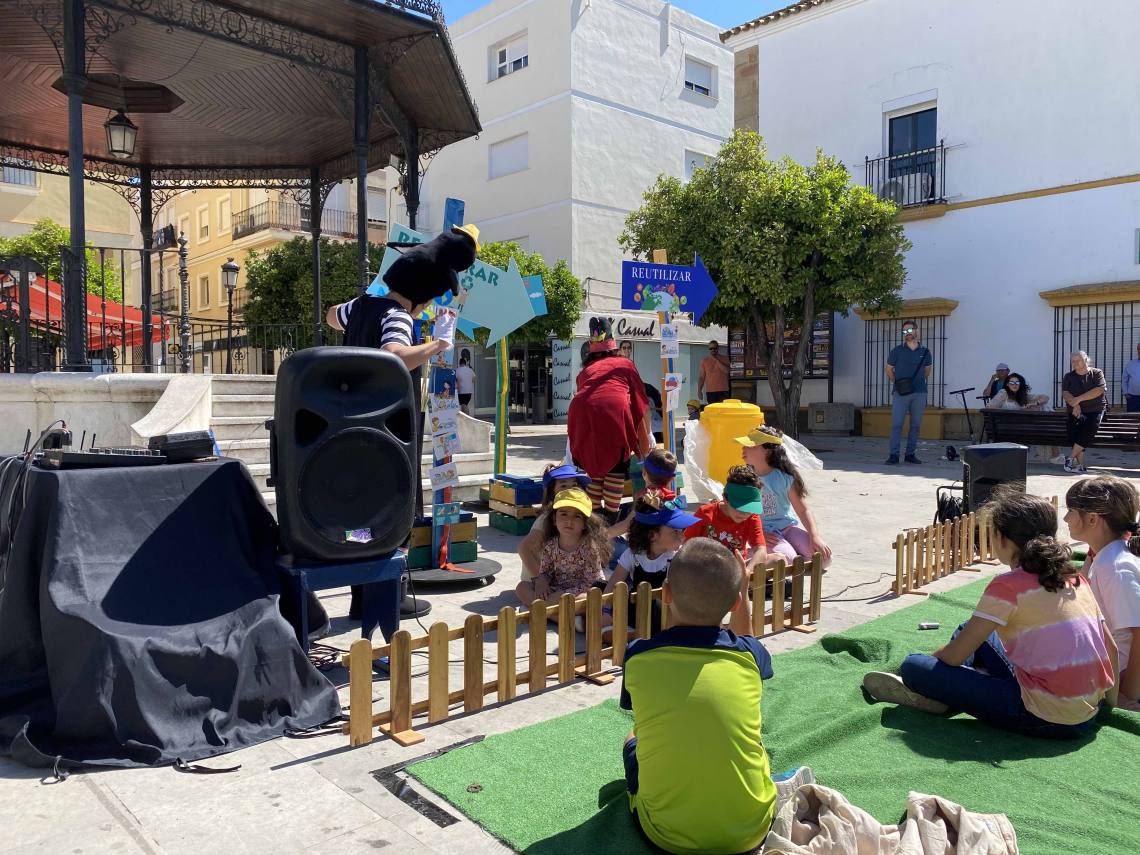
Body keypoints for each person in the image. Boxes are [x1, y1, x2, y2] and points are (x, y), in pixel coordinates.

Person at [863, 490, 1118, 738]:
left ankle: (940, 693)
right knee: (971, 630)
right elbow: (1111, 649)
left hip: (1042, 717)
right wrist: (1110, 706)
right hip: (1088, 713)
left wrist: (933, 666)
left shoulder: (1007, 586)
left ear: (1001, 538)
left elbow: (953, 656)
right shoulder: (1076, 579)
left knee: (913, 666)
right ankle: (951, 689)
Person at [326, 224, 480, 622]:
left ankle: (361, 598)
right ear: (421, 295)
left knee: (359, 518)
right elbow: (394, 354)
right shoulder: (397, 316)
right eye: (426, 302)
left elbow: (331, 315)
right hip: (388, 431)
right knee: (394, 516)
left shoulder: (363, 305)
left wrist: (362, 312)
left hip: (351, 428)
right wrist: (437, 344)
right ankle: (388, 598)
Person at [619, 538, 776, 854]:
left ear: (666, 594)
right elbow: (746, 640)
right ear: (735, 604)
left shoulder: (638, 656)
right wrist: (742, 590)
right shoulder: (750, 656)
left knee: (632, 736)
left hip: (665, 836)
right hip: (751, 831)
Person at [1064, 477, 1140, 710]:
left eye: (1071, 511)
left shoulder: (1114, 568)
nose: (1065, 518)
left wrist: (1126, 694)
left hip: (1118, 678)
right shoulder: (1106, 557)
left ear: (1092, 519)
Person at [568, 317, 652, 523]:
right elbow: (640, 403)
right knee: (616, 470)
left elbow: (584, 396)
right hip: (614, 414)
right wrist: (646, 437)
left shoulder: (586, 371)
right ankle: (610, 524)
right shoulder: (625, 364)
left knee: (595, 470)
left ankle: (595, 524)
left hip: (582, 416)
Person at [735, 426, 832, 568]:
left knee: (824, 559)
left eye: (751, 445)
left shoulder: (785, 478)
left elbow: (803, 510)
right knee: (787, 561)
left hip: (787, 528)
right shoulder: (744, 479)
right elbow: (737, 514)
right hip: (762, 532)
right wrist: (757, 535)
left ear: (768, 450)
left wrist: (814, 536)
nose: (743, 448)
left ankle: (784, 554)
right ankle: (746, 556)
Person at [606, 491, 699, 634]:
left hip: (665, 617)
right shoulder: (633, 555)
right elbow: (613, 583)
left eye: (682, 530)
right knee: (599, 587)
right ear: (652, 536)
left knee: (657, 603)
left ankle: (638, 637)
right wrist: (605, 610)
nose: (682, 536)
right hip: (636, 611)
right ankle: (630, 634)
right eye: (675, 532)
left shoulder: (677, 558)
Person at [515, 488, 611, 607]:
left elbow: (590, 583)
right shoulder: (550, 545)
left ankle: (542, 608)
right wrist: (542, 582)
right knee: (522, 587)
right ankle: (549, 609)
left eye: (577, 516)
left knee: (586, 599)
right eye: (564, 514)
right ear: (554, 520)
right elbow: (545, 572)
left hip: (580, 592)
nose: (569, 521)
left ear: (585, 524)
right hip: (557, 589)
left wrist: (564, 594)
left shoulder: (589, 548)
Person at [684, 465, 768, 571]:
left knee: (777, 559)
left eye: (749, 508)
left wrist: (747, 572)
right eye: (739, 507)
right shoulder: (705, 513)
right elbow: (687, 545)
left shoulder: (752, 517)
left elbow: (761, 550)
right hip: (706, 569)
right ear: (725, 498)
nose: (744, 513)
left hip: (736, 570)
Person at [518, 463, 592, 582]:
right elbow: (524, 549)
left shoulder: (578, 515)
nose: (570, 490)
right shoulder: (545, 519)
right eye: (563, 486)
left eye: (574, 485)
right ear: (551, 492)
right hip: (539, 579)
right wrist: (540, 580)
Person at [885, 319, 933, 465]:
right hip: (900, 393)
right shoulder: (896, 351)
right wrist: (898, 384)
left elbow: (927, 371)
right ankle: (894, 455)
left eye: (910, 330)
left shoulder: (925, 352)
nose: (907, 333)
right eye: (904, 331)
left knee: (915, 425)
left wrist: (917, 382)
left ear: (917, 331)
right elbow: (889, 370)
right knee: (897, 424)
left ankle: (910, 454)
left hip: (920, 392)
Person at [609, 447, 677, 539]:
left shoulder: (645, 497)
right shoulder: (671, 498)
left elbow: (627, 525)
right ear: (672, 478)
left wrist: (601, 536)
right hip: (667, 543)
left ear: (644, 473)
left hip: (647, 545)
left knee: (613, 540)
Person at [1061, 350, 1107, 474]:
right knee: (1074, 434)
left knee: (1088, 431)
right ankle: (1080, 465)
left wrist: (1078, 399)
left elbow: (1099, 390)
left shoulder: (1096, 373)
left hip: (1094, 409)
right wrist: (1075, 404)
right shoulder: (1068, 376)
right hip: (1074, 410)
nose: (1075, 363)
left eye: (1078, 360)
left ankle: (1069, 459)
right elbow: (1065, 393)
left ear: (1086, 360)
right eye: (1073, 361)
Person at [983, 372, 1049, 411]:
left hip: (1019, 426)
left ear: (1020, 384)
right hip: (1005, 425)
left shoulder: (1023, 395)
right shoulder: (1004, 393)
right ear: (1007, 384)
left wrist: (1035, 403)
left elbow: (1045, 397)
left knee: (1042, 406)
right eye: (1011, 383)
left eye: (1017, 383)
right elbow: (989, 407)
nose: (1014, 385)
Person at [698, 339, 731, 405]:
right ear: (709, 349)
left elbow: (727, 371)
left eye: (715, 348)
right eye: (711, 348)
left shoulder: (725, 358)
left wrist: (716, 360)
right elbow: (701, 377)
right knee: (712, 410)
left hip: (723, 390)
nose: (713, 350)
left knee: (723, 410)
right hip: (710, 391)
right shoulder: (704, 361)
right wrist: (699, 391)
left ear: (718, 348)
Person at [1121, 343, 1140, 413]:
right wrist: (1125, 393)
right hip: (1133, 398)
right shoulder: (1131, 364)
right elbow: (1124, 380)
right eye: (1138, 349)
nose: (1139, 351)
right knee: (1132, 418)